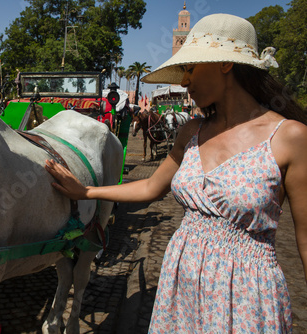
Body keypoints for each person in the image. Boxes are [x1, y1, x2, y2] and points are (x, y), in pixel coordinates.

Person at [45, 13, 307, 333]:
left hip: (245, 295)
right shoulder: (192, 132)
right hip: (181, 285)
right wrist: (85, 192)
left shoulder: (290, 137)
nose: (184, 81)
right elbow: (151, 188)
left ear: (225, 63)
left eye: (191, 69)